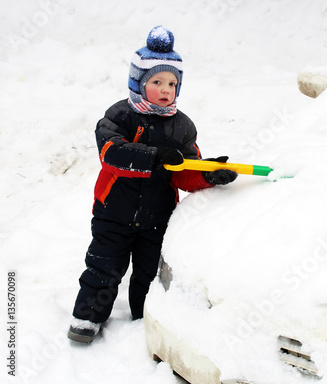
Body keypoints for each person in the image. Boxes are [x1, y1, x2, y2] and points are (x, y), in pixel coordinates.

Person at [68, 26, 237, 343]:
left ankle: (145, 319)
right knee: (104, 267)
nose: (165, 89)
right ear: (138, 82)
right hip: (113, 212)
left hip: (158, 217)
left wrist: (207, 174)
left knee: (149, 274)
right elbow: (111, 154)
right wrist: (155, 157)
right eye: (156, 81)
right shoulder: (120, 116)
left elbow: (184, 173)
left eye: (172, 83)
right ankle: (87, 318)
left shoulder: (182, 126)